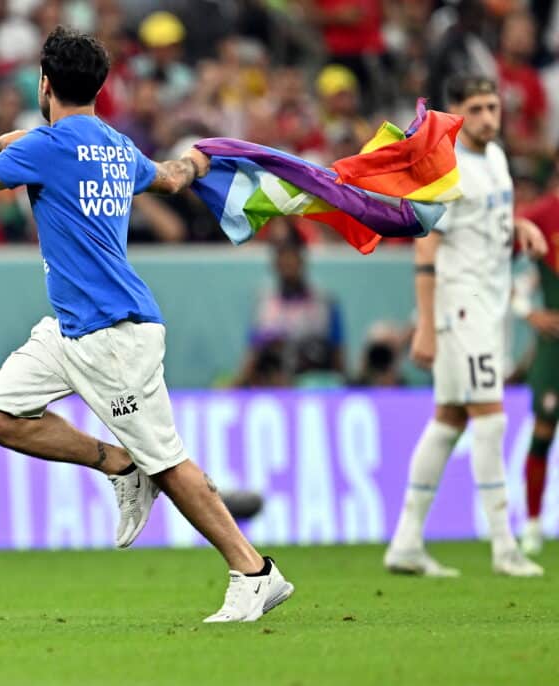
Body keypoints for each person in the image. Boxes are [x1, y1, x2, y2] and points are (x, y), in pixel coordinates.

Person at [0, 26, 293, 623]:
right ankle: (117, 464)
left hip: (114, 334)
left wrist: (11, 135)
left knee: (171, 463)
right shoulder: (116, 145)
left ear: (45, 84)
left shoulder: (43, 147)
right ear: (102, 89)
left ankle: (254, 571)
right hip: (72, 327)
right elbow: (174, 178)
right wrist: (198, 158)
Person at [383, 75, 547, 577]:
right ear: (456, 112)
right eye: (474, 109)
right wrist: (426, 327)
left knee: (449, 420)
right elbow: (426, 245)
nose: (486, 118)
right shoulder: (447, 168)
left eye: (492, 107)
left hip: (490, 306)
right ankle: (504, 546)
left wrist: (519, 225)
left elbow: (490, 219)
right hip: (461, 309)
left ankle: (406, 542)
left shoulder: (496, 159)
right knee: (490, 417)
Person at [511, 170, 559, 555]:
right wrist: (529, 312)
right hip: (553, 344)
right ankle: (531, 524)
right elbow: (504, 271)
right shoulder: (539, 215)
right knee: (544, 428)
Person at [234, 236, 345, 388]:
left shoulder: (323, 300)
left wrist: (343, 384)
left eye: (292, 260)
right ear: (275, 265)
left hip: (312, 380)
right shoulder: (264, 301)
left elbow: (337, 351)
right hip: (273, 382)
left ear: (302, 262)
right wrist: (239, 382)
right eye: (283, 261)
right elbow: (253, 351)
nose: (288, 265)